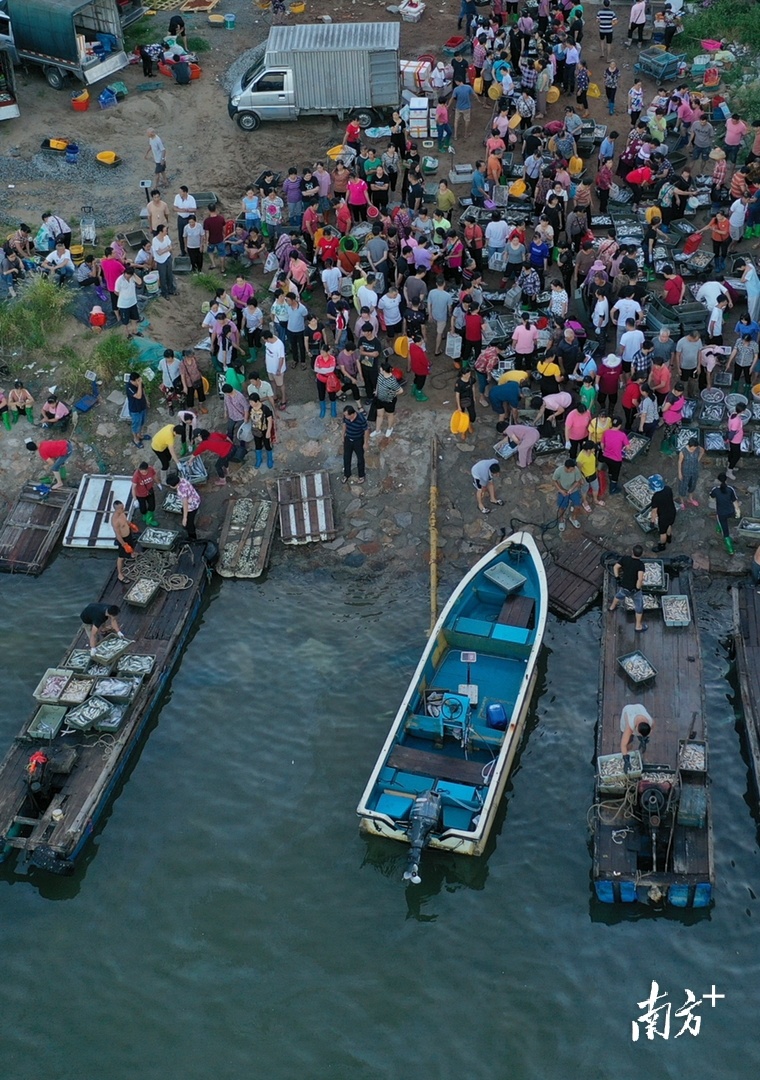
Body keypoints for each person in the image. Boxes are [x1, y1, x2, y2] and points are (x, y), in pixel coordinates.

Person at [608, 543, 647, 632]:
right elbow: (640, 579)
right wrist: (637, 588)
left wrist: (617, 578)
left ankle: (611, 607)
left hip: (624, 586)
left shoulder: (625, 559)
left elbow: (616, 567)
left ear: (632, 552)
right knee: (639, 606)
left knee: (619, 595)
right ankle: (638, 626)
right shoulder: (640, 565)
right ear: (641, 554)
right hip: (634, 590)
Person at [710, 471, 740, 555]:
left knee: (726, 533)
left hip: (721, 513)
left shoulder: (715, 490)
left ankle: (730, 550)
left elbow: (711, 497)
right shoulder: (730, 489)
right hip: (730, 511)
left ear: (718, 481)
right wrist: (737, 511)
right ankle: (718, 528)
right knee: (721, 520)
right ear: (726, 480)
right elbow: (734, 501)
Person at [165, 470, 200, 539]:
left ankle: (192, 537)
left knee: (189, 523)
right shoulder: (182, 479)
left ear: (174, 485)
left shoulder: (181, 491)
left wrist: (185, 518)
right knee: (183, 511)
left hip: (192, 506)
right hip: (196, 499)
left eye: (170, 486)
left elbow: (185, 504)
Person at [553, 458, 584, 532]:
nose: (573, 470)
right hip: (563, 490)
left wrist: (571, 489)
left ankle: (573, 518)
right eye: (571, 469)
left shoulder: (575, 470)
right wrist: (561, 490)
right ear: (567, 468)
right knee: (561, 507)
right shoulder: (558, 471)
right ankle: (561, 519)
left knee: (577, 506)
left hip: (574, 490)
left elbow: (578, 481)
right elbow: (554, 481)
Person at [111, 500, 139, 582]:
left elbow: (125, 521)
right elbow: (118, 535)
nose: (123, 509)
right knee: (121, 557)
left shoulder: (122, 513)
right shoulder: (115, 521)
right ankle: (120, 574)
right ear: (116, 509)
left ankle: (132, 553)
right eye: (121, 508)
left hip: (128, 534)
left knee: (132, 545)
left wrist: (131, 525)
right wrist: (124, 544)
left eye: (123, 507)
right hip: (123, 539)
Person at [648, 473, 676, 552]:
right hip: (672, 512)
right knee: (669, 525)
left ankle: (662, 546)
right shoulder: (668, 489)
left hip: (664, 517)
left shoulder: (656, 497)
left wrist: (652, 522)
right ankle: (669, 537)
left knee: (662, 532)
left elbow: (654, 512)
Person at [246, 393, 275, 469]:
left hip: (264, 430)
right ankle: (259, 459)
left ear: (257, 401)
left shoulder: (265, 409)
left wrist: (268, 431)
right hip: (256, 430)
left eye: (252, 402)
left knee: (267, 445)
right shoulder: (251, 408)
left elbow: (270, 421)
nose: (250, 404)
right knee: (257, 445)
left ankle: (270, 459)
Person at [342, 404, 369, 485]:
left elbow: (366, 430)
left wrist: (365, 443)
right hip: (348, 439)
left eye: (346, 415)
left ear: (352, 414)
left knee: (360, 458)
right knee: (346, 457)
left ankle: (361, 475)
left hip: (358, 440)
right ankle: (347, 474)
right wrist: (342, 436)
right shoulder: (346, 418)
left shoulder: (361, 419)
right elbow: (344, 425)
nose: (345, 416)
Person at [601, 416, 629, 493]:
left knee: (610, 468)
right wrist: (623, 450)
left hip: (606, 457)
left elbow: (602, 444)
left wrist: (604, 450)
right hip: (616, 459)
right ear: (620, 425)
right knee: (615, 474)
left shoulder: (606, 432)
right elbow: (627, 447)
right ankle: (612, 489)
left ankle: (610, 476)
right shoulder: (622, 435)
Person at [677, 437, 704, 509]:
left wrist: (698, 459)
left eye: (695, 448)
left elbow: (702, 451)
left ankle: (690, 499)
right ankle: (682, 501)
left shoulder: (698, 448)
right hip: (685, 472)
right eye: (692, 448)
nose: (694, 449)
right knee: (683, 487)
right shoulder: (683, 451)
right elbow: (679, 462)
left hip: (694, 471)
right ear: (689, 445)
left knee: (692, 485)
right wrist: (680, 473)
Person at [131, 461, 158, 527]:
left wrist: (158, 483)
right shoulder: (136, 475)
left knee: (152, 506)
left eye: (144, 472)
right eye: (141, 472)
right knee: (142, 508)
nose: (143, 473)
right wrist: (135, 499)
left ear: (147, 469)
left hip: (149, 491)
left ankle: (150, 519)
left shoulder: (151, 469)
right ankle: (144, 515)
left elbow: (154, 476)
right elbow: (133, 487)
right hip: (140, 494)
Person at [126, 371, 148, 449]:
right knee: (136, 425)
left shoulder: (139, 383)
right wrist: (139, 385)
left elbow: (143, 392)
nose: (139, 381)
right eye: (137, 380)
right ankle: (136, 439)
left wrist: (147, 401)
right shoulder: (129, 387)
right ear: (133, 381)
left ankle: (140, 435)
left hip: (142, 407)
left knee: (142, 422)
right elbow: (138, 396)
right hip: (135, 410)